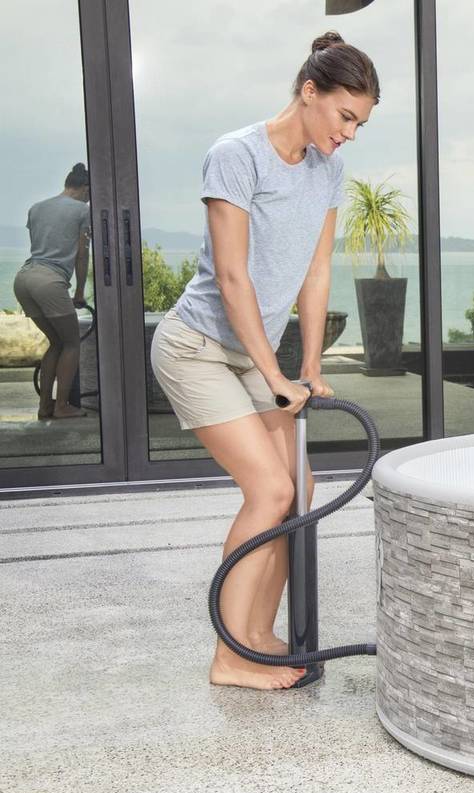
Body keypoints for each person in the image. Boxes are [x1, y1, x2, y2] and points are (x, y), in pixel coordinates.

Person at [150, 31, 378, 690]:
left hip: (255, 352)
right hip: (196, 348)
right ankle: (228, 654)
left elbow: (317, 269)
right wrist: (273, 374)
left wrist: (309, 366)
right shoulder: (237, 155)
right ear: (309, 91)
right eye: (344, 116)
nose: (348, 134)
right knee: (271, 491)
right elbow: (232, 277)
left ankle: (255, 634)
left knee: (298, 491)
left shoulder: (328, 169)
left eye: (359, 125)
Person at [13, 163, 91, 419]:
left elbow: (41, 246)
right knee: (71, 344)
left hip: (24, 278)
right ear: (85, 188)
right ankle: (62, 406)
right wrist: (79, 292)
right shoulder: (83, 210)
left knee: (57, 342)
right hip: (49, 281)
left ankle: (45, 406)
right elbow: (81, 255)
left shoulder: (36, 208)